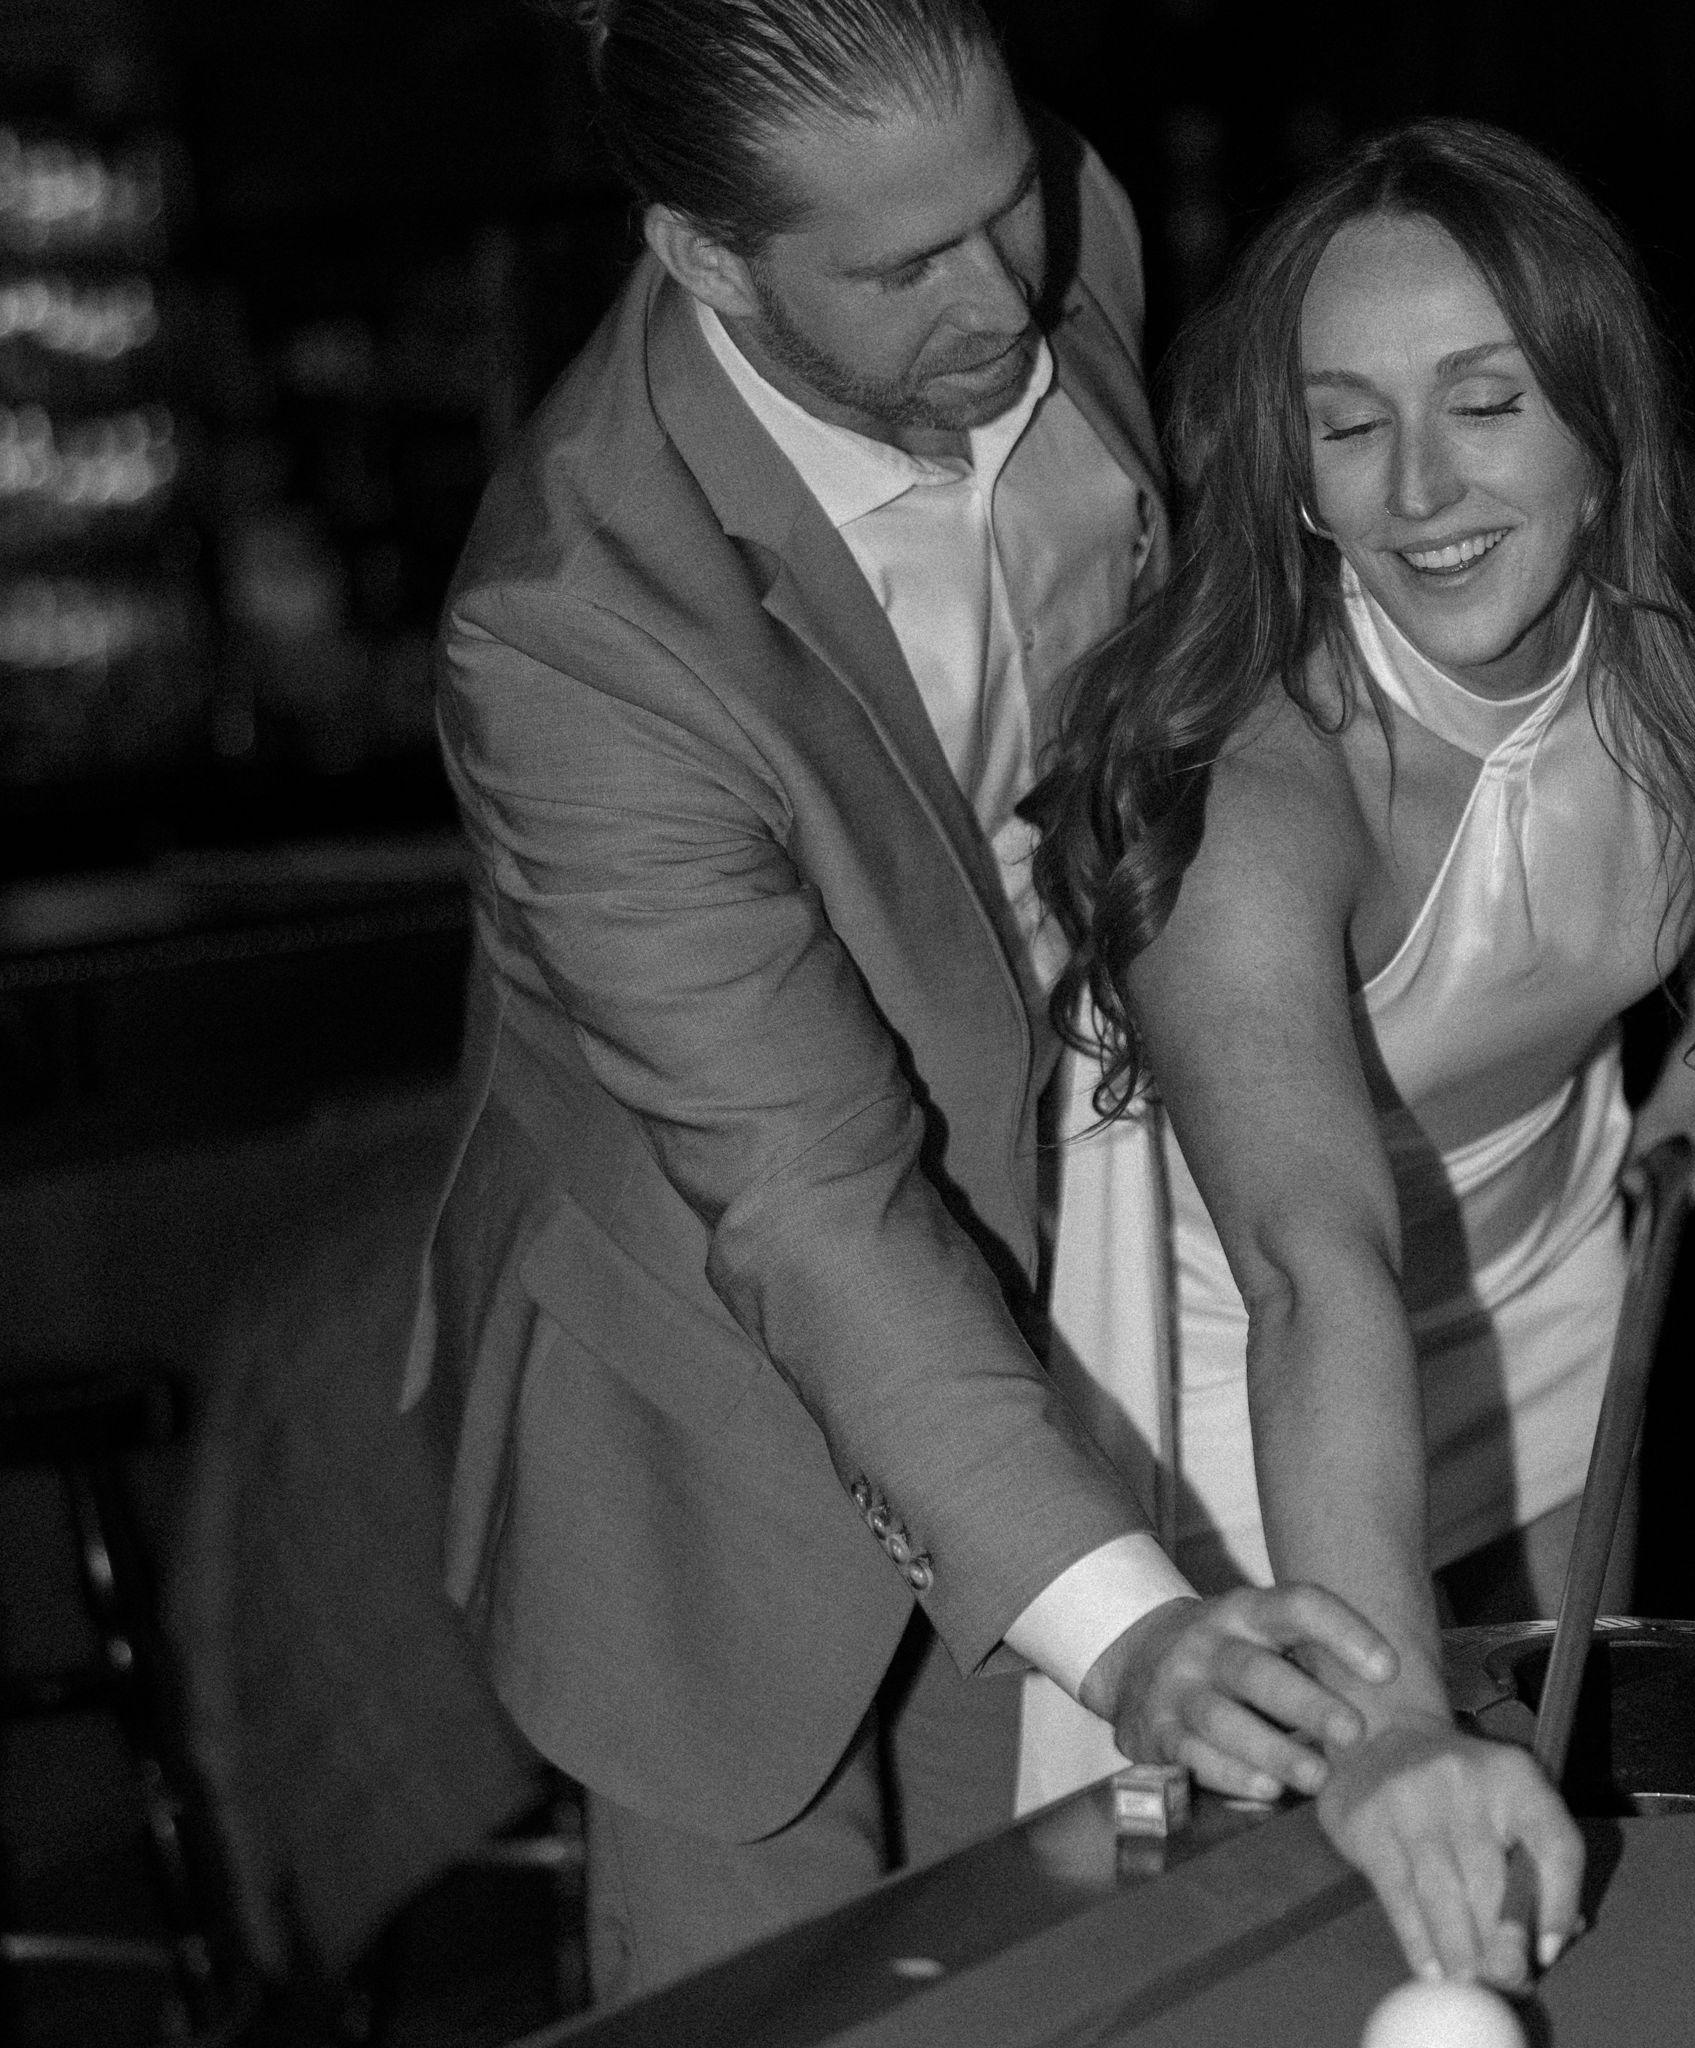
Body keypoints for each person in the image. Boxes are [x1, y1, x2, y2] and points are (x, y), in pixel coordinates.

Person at [396, 0, 1408, 2004]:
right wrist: (1133, 1632)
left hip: (1066, 1269)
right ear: (706, 258)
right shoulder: (575, 633)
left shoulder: (1059, 223)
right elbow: (803, 1191)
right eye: (903, 267)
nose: (1003, 294)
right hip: (705, 1387)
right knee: (774, 2004)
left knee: (1020, 1968)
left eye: (1007, 202)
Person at [1031, 116, 1695, 1983]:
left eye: (1486, 402)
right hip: (1252, 1379)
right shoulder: (1252, 790)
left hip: (1549, 1261)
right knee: (1301, 1896)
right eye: (1348, 424)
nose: (1418, 488)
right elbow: (1312, 1262)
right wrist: (1386, 1725)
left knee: (1559, 1812)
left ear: (1601, 419)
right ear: (1294, 476)